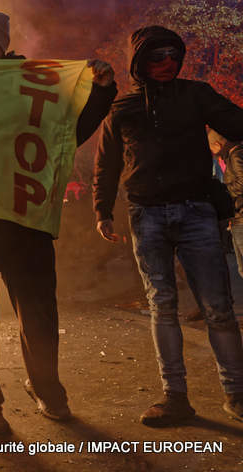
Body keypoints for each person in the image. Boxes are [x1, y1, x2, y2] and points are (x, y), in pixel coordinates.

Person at [0, 9, 117, 434]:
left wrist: (101, 93)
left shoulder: (33, 84)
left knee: (38, 315)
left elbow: (65, 133)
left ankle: (46, 389)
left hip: (24, 224)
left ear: (0, 44)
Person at [94, 25, 243, 426]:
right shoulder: (123, 108)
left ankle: (237, 395)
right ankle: (175, 398)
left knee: (218, 307)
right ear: (140, 62)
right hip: (146, 215)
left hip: (196, 211)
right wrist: (102, 211)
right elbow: (107, 164)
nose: (168, 63)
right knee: (162, 307)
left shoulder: (196, 95)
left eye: (174, 55)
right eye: (157, 56)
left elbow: (237, 123)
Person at [208, 130, 243, 281]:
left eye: (211, 148)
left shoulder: (236, 155)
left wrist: (225, 192)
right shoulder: (232, 156)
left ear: (217, 144)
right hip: (237, 217)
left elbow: (242, 183)